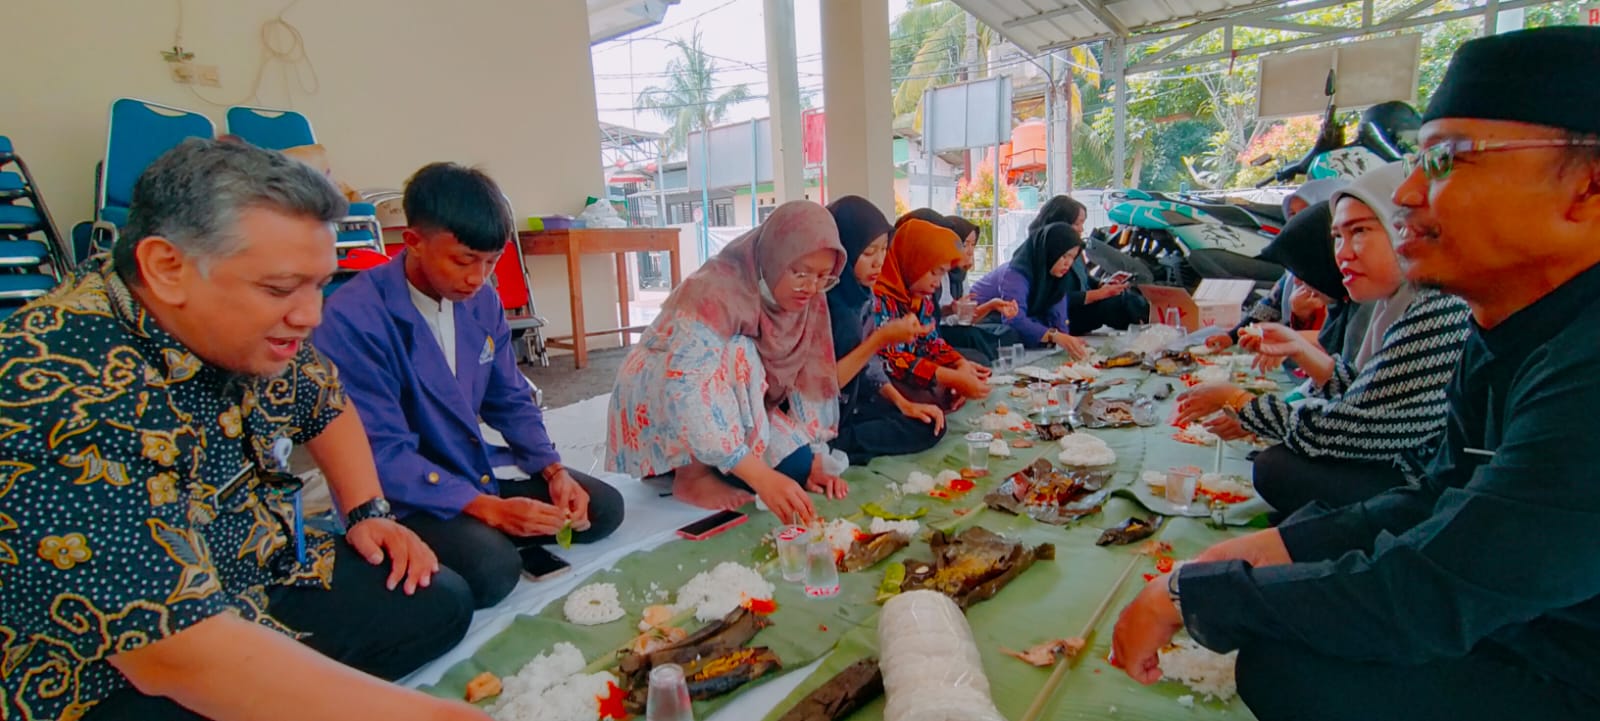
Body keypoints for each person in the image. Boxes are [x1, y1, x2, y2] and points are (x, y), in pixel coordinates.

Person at [1111, 27, 1600, 720]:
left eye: (1447, 159)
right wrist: (1268, 547)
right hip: (1527, 619)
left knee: (1295, 656)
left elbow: (1432, 585)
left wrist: (1195, 594)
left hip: (1569, 661)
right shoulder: (1504, 329)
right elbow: (1437, 494)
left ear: (1589, 185)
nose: (1405, 192)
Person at [0, 139, 485, 721]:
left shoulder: (252, 321)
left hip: (253, 572)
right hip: (113, 670)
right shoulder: (54, 384)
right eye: (281, 289)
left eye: (318, 285)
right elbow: (170, 652)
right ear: (167, 267)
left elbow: (326, 403)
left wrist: (367, 511)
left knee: (441, 599)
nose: (310, 315)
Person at [313, 163, 624, 610]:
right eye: (463, 261)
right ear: (413, 241)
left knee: (600, 509)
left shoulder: (482, 301)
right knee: (490, 569)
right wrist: (487, 508)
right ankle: (482, 535)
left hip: (470, 466)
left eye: (491, 262)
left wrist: (552, 469)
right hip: (403, 492)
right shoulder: (353, 318)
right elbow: (378, 452)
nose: (478, 278)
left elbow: (509, 397)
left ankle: (485, 531)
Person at [1174, 163, 1471, 516]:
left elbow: (1353, 427)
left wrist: (1241, 402)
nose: (1342, 254)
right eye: (1337, 238)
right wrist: (1295, 350)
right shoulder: (1396, 303)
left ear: (1410, 227)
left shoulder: (1438, 308)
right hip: (1394, 452)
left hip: (1431, 486)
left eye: (1359, 231)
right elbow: (1361, 389)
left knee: (1278, 468)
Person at [607, 201, 848, 524]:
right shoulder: (717, 288)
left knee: (797, 467)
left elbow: (806, 378)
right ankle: (690, 476)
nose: (811, 288)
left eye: (823, 277)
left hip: (736, 398)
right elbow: (684, 384)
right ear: (776, 258)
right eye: (800, 273)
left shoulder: (806, 296)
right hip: (659, 396)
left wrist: (814, 457)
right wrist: (759, 475)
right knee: (740, 350)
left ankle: (712, 461)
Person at [825, 197, 947, 464]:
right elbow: (825, 385)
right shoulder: (826, 304)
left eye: (883, 250)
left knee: (930, 421)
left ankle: (844, 447)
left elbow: (869, 366)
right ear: (843, 250)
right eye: (869, 252)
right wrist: (881, 339)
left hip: (853, 405)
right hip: (823, 419)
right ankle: (835, 449)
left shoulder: (861, 294)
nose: (878, 262)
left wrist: (903, 403)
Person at [871, 218, 991, 407]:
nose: (937, 283)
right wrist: (951, 378)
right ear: (914, 261)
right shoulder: (878, 298)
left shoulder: (919, 298)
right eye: (935, 272)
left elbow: (930, 342)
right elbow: (889, 361)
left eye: (943, 274)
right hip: (881, 387)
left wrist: (959, 364)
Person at [968, 222, 1092, 358]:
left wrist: (1068, 340)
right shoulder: (1016, 273)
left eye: (1073, 257)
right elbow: (1014, 318)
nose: (1068, 263)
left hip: (1016, 316)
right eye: (1064, 256)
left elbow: (1058, 313)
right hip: (984, 318)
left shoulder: (1055, 274)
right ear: (1050, 252)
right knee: (1012, 334)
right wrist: (1056, 336)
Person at [1030, 195, 1147, 334]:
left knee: (1129, 294)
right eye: (1077, 224)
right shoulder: (1043, 252)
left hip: (1085, 305)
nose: (1081, 229)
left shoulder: (1073, 247)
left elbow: (1085, 278)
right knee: (1120, 303)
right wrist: (1100, 294)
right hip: (1066, 315)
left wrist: (1104, 284)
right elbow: (1055, 299)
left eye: (1082, 224)